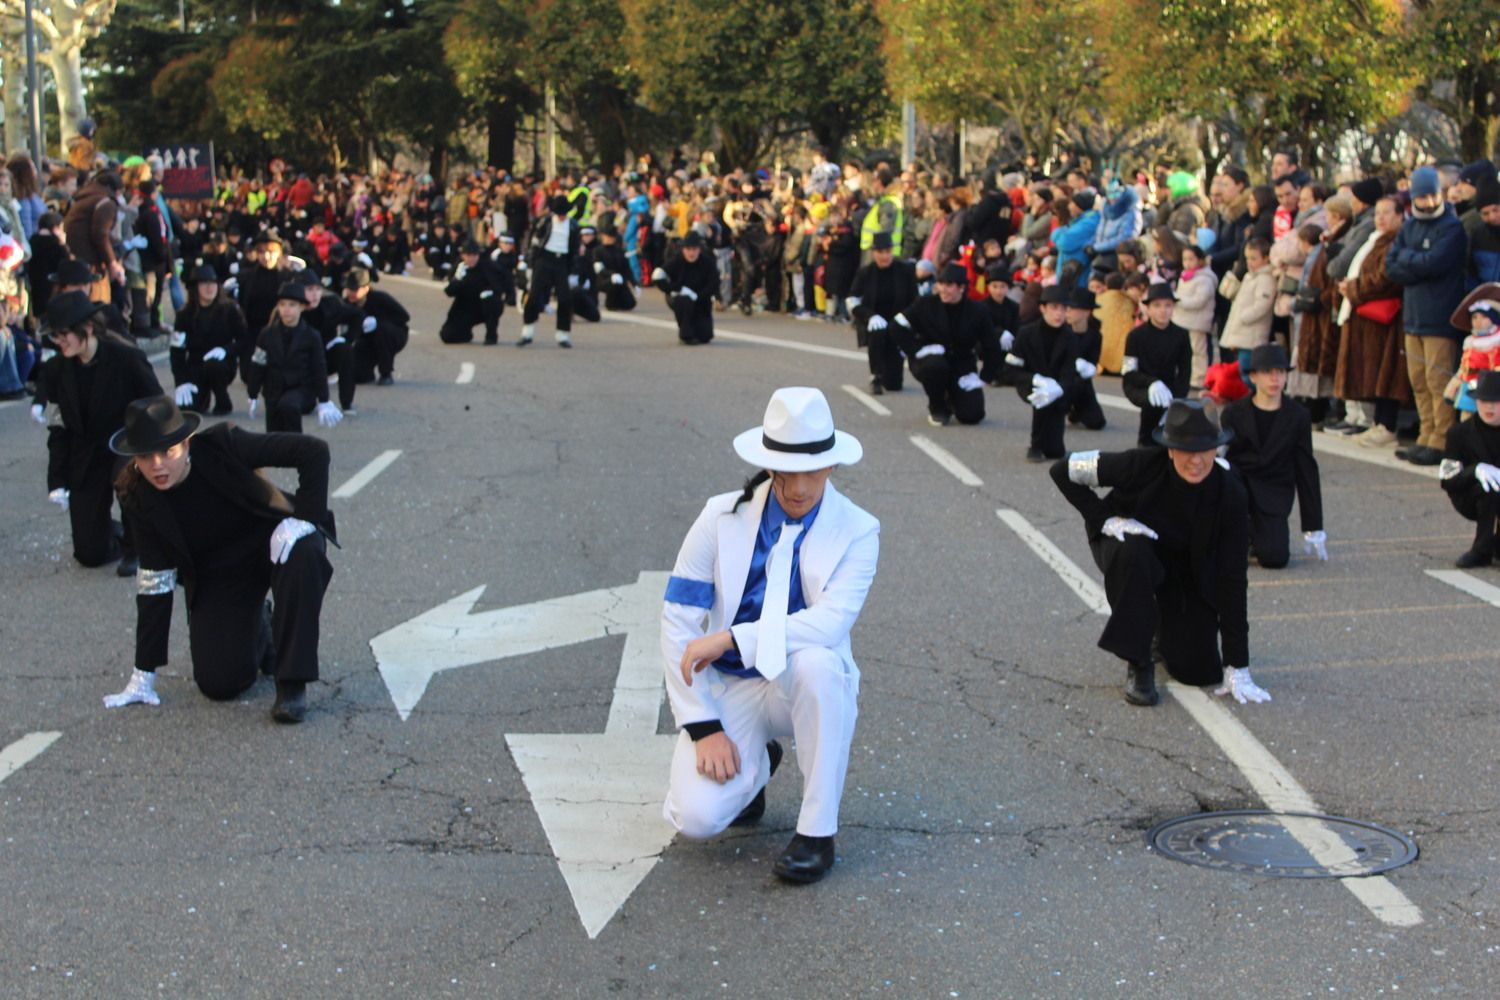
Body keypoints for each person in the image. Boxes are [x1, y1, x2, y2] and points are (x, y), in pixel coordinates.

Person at [661, 386, 878, 883]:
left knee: (820, 663)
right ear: (769, 466)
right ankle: (757, 764)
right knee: (696, 820)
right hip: (730, 686)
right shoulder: (719, 517)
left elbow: (830, 623)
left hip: (798, 681)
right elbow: (678, 617)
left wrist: (733, 638)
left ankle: (816, 834)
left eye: (813, 471)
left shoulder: (859, 530)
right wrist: (703, 727)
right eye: (787, 472)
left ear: (832, 466)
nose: (800, 487)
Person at [104, 396, 335, 723]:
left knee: (305, 551)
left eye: (167, 452)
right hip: (218, 576)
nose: (156, 465)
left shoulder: (223, 445)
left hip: (272, 543)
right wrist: (144, 673)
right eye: (145, 455)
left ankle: (292, 685)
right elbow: (156, 580)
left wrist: (305, 519)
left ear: (186, 444)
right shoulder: (138, 495)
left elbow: (313, 451)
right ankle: (260, 628)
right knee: (220, 684)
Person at [1050, 399, 1267, 707]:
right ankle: (1139, 662)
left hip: (1182, 564)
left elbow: (1232, 578)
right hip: (1127, 546)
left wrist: (1238, 664)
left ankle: (1161, 633)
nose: (1196, 461)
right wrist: (1104, 519)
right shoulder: (1138, 465)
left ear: (1216, 449)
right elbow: (1062, 470)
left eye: (1205, 449)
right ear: (1170, 448)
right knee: (1134, 553)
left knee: (1200, 671)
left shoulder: (1231, 492)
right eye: (1187, 451)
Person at [40, 291, 163, 575]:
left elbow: (156, 405)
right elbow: (58, 425)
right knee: (89, 554)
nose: (58, 342)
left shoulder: (126, 358)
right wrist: (56, 479)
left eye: (63, 334)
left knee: (127, 479)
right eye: (54, 337)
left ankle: (139, 545)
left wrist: (157, 453)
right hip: (86, 455)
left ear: (87, 328)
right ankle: (113, 533)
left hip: (126, 447)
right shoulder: (57, 368)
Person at [1387, 165, 1469, 465]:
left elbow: (1435, 263)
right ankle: (1425, 435)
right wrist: (1415, 261)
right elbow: (1391, 266)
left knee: (1438, 381)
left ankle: (1441, 439)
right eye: (1422, 197)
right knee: (1418, 381)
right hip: (1413, 316)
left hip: (1440, 316)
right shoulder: (1409, 226)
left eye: (1432, 195)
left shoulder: (1451, 226)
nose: (1428, 202)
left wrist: (1412, 261)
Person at [1222, 344, 1326, 569]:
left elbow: (1306, 467)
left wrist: (1313, 525)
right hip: (1240, 489)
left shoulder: (1298, 416)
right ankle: (1241, 533)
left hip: (1274, 491)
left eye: (1280, 372)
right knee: (1227, 555)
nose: (1275, 379)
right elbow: (1222, 457)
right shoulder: (1234, 412)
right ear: (1253, 376)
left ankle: (1256, 536)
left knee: (1274, 558)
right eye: (1267, 372)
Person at [894, 262, 996, 426]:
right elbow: (897, 325)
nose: (942, 289)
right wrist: (917, 350)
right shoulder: (925, 304)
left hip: (961, 363)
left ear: (962, 287)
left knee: (972, 415)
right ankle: (937, 406)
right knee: (935, 367)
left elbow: (991, 345)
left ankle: (952, 398)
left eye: (949, 285)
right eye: (940, 283)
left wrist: (984, 378)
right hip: (929, 360)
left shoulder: (977, 311)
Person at [244, 282, 342, 433]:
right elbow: (259, 362)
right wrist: (253, 393)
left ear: (302, 307)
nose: (286, 310)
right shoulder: (267, 333)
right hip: (273, 390)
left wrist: (324, 399)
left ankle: (298, 450)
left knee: (289, 407)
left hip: (301, 389)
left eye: (292, 305)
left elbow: (319, 368)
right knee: (274, 434)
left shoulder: (311, 335)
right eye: (282, 305)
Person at [1009, 284, 1080, 460]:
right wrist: (1035, 378)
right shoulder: (1026, 333)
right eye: (1054, 308)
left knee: (1056, 452)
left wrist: (1059, 388)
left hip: (1058, 388)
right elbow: (1011, 369)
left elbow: (1070, 371)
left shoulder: (1070, 336)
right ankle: (1035, 445)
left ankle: (1048, 442)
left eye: (1063, 309)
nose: (1059, 314)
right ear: (1042, 308)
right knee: (1042, 398)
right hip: (1032, 384)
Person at [1440, 370, 1500, 568]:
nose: (1489, 406)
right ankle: (1481, 550)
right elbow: (1447, 479)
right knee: (1488, 488)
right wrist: (1474, 470)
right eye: (1483, 401)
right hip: (1470, 495)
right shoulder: (1459, 433)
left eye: (1495, 401)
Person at [169, 264, 247, 416]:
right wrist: (181, 382)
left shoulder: (229, 309)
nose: (209, 288)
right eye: (204, 284)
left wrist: (225, 350)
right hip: (196, 367)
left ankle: (222, 398)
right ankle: (201, 397)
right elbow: (177, 352)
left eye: (212, 283)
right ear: (195, 288)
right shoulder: (184, 315)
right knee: (188, 409)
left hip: (222, 365)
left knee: (214, 366)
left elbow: (244, 340)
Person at [848, 231, 918, 395]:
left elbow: (916, 300)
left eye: (887, 251)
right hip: (875, 323)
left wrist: (905, 317)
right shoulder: (865, 272)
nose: (884, 256)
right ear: (874, 253)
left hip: (898, 324)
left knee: (894, 385)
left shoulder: (905, 270)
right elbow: (852, 299)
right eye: (880, 252)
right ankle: (875, 375)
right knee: (877, 333)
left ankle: (890, 372)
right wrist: (869, 316)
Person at [1123, 283, 1193, 446]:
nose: (1163, 310)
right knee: (1153, 405)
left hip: (1169, 386)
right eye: (1157, 305)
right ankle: (1145, 444)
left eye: (1168, 305)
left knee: (1173, 420)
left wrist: (1177, 399)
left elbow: (1185, 371)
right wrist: (1152, 382)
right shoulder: (1135, 336)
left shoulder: (1181, 335)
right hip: (1141, 385)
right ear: (1148, 308)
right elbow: (1128, 371)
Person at [519, 194, 579, 348]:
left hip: (561, 262)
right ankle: (527, 331)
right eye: (559, 214)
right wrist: (530, 266)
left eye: (564, 214)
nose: (561, 217)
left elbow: (575, 250)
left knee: (564, 298)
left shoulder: (573, 225)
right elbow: (534, 244)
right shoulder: (545, 222)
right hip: (544, 260)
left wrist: (573, 272)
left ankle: (562, 334)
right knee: (533, 296)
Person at [653, 231, 719, 344]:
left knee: (705, 336)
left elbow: (714, 284)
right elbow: (658, 277)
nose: (691, 253)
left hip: (701, 298)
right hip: (680, 298)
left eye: (694, 249)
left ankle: (695, 330)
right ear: (683, 249)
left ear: (699, 249)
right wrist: (674, 289)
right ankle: (685, 335)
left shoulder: (707, 262)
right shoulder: (676, 260)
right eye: (688, 249)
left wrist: (698, 296)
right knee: (684, 301)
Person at [439, 241, 503, 345]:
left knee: (490, 301)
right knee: (447, 335)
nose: (472, 258)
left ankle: (491, 335)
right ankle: (465, 333)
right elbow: (449, 292)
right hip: (465, 307)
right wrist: (457, 279)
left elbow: (500, 286)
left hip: (484, 305)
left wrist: (490, 291)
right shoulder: (459, 267)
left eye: (475, 255)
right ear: (463, 255)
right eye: (468, 255)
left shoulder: (488, 266)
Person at [1065, 287, 1106, 431]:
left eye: (1072, 308)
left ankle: (1077, 410)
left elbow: (1093, 360)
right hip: (1062, 381)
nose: (1067, 312)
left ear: (1087, 312)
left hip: (1082, 383)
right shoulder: (1062, 331)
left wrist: (1089, 368)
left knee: (1097, 422)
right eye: (1067, 307)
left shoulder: (1095, 335)